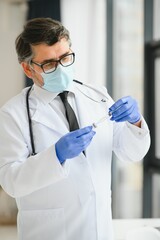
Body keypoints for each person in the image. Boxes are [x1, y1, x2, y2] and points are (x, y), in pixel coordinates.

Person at [0, 18, 150, 240]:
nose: (60, 68)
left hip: (99, 230)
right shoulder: (13, 113)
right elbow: (10, 181)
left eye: (65, 57)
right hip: (49, 233)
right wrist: (55, 155)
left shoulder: (97, 96)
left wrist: (135, 121)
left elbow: (132, 153)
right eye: (49, 64)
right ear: (28, 68)